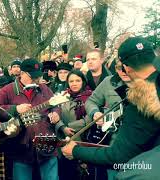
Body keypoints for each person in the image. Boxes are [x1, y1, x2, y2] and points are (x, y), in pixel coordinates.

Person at [61, 37, 160, 170]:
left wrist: (76, 151)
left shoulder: (140, 100)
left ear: (126, 68)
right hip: (110, 139)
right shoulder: (109, 82)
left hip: (140, 165)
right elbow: (92, 101)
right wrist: (95, 112)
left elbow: (119, 157)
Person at [0, 58, 58, 180]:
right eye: (32, 77)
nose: (37, 80)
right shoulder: (8, 90)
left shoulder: (44, 88)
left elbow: (55, 104)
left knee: (52, 177)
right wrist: (15, 109)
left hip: (46, 139)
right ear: (22, 73)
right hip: (21, 144)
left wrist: (55, 113)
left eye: (38, 76)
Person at [49, 70, 92, 180]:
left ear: (83, 81)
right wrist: (63, 128)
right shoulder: (63, 96)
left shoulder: (90, 96)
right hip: (62, 139)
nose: (74, 83)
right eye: (71, 81)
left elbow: (90, 119)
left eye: (77, 80)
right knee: (65, 173)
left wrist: (70, 126)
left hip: (82, 140)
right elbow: (55, 113)